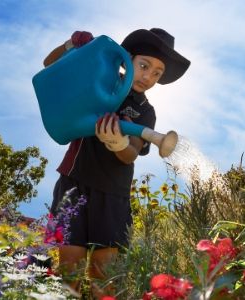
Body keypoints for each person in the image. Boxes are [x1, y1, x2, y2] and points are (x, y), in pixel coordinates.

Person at [43, 28, 190, 294]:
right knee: (69, 269)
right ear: (128, 59)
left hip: (113, 195)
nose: (148, 77)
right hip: (74, 183)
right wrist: (70, 45)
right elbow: (50, 66)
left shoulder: (146, 111)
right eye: (144, 66)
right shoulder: (100, 80)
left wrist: (118, 143)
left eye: (157, 73)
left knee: (104, 276)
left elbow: (131, 154)